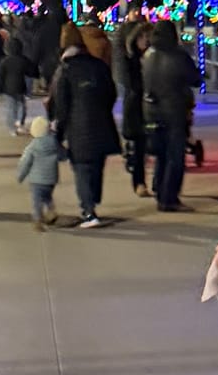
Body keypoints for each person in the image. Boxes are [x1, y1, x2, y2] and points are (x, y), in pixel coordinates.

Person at [49, 22, 119, 230]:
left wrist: (58, 132)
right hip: (101, 123)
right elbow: (111, 93)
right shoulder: (98, 66)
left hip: (77, 127)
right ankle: (94, 200)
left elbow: (61, 105)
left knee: (82, 169)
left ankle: (89, 211)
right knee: (96, 165)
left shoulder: (66, 70)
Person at [142, 16, 198, 210]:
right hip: (173, 110)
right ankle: (169, 198)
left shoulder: (149, 55)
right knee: (175, 156)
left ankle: (159, 187)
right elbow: (194, 78)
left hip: (151, 110)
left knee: (161, 153)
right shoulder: (178, 56)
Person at [114, 18, 150, 195]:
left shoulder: (152, 57)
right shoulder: (130, 60)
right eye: (142, 37)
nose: (145, 40)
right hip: (136, 108)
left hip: (151, 107)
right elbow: (130, 84)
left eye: (147, 37)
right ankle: (139, 182)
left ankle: (157, 183)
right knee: (139, 146)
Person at [15, 114, 65, 227]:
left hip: (36, 180)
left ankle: (38, 219)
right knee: (47, 196)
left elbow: (25, 163)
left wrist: (20, 176)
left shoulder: (32, 146)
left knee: (37, 200)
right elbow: (63, 155)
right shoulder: (54, 143)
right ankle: (51, 210)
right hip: (51, 179)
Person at [0, 24, 31, 134]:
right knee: (21, 105)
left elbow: (1, 76)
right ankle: (20, 122)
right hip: (20, 86)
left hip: (8, 87)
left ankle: (12, 128)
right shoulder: (22, 60)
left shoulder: (4, 61)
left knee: (11, 107)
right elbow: (30, 71)